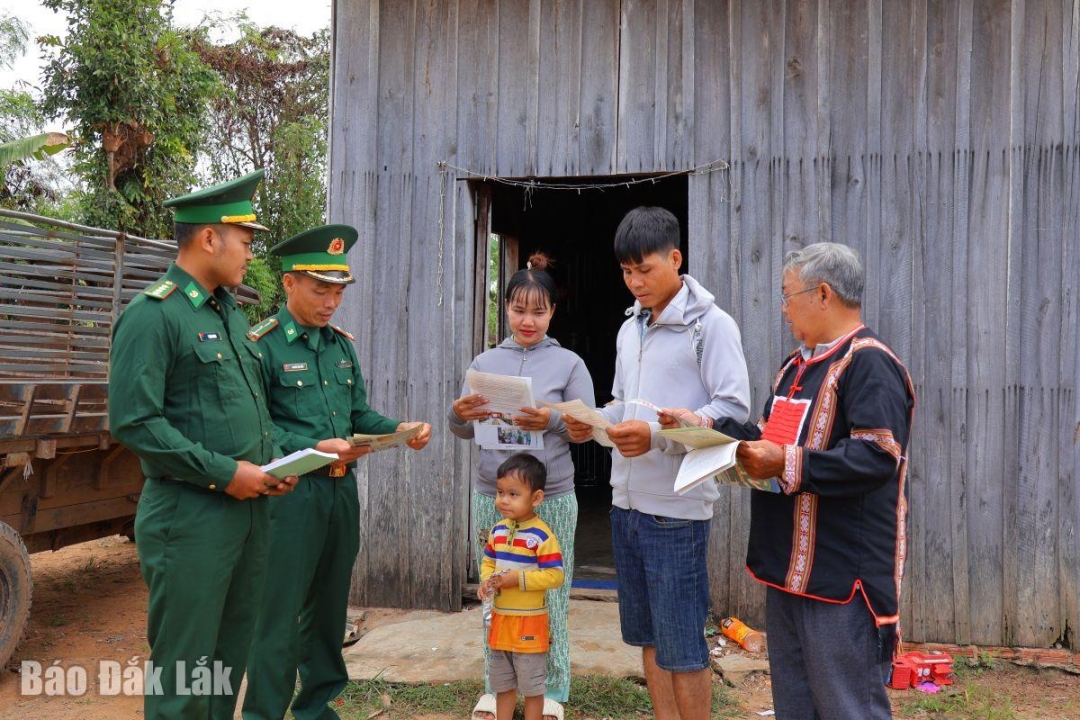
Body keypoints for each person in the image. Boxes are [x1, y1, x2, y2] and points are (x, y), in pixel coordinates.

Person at [661, 242, 915, 720]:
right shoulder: (793, 368)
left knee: (847, 708)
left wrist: (787, 463)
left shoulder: (869, 363)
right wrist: (701, 427)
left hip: (840, 577)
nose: (782, 308)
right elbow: (765, 438)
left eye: (787, 295)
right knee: (795, 708)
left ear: (823, 294)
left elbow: (877, 456)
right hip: (786, 573)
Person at [108, 169, 299, 720]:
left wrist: (277, 464)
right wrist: (225, 472)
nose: (250, 253)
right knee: (186, 676)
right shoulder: (154, 315)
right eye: (245, 240)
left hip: (247, 513)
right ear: (209, 238)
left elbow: (250, 412)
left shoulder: (231, 315)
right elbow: (135, 422)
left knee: (225, 667)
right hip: (190, 518)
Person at [563, 207, 751, 720]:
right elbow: (625, 403)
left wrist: (657, 435)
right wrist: (594, 422)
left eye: (644, 270)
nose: (635, 282)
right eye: (626, 272)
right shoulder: (631, 328)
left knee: (683, 648)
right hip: (626, 507)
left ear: (675, 258)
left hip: (677, 511)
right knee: (647, 638)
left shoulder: (710, 326)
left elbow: (732, 413)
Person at [242, 224, 432, 720]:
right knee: (278, 617)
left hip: (340, 496)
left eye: (338, 292)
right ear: (289, 283)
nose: (331, 302)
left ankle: (316, 709)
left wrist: (398, 428)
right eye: (320, 290)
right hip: (289, 498)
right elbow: (255, 430)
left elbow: (358, 417)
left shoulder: (341, 347)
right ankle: (264, 712)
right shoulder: (261, 346)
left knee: (327, 614)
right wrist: (313, 446)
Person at [448, 253, 594, 720]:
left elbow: (587, 427)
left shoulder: (569, 363)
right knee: (495, 589)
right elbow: (461, 428)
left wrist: (552, 417)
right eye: (518, 309)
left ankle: (550, 689)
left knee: (548, 591)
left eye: (538, 311)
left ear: (552, 312)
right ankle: (497, 687)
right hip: (492, 493)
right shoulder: (485, 363)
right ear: (505, 308)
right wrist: (459, 414)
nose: (527, 320)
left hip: (548, 498)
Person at [478, 454, 566, 720]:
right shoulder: (496, 532)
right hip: (501, 622)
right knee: (502, 684)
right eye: (500, 492)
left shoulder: (542, 535)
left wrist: (519, 579)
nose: (503, 500)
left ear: (536, 498)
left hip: (530, 624)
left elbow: (555, 576)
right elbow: (488, 562)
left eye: (513, 494)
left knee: (531, 687)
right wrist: (485, 581)